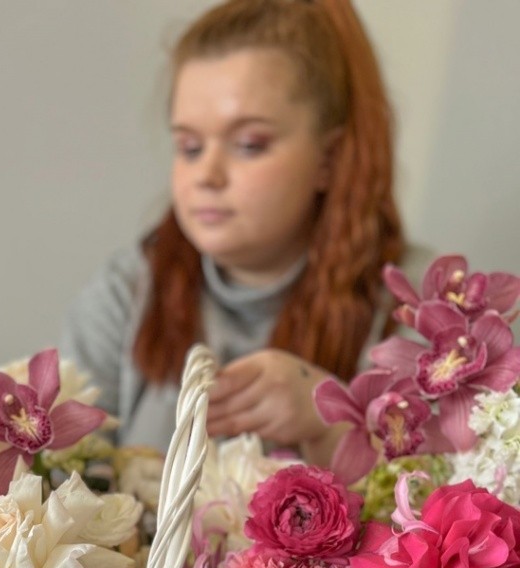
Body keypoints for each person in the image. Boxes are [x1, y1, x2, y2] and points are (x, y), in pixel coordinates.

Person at [60, 0, 428, 461]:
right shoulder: (125, 292)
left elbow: (438, 487)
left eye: (249, 145)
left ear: (329, 159)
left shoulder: (418, 307)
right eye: (189, 147)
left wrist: (328, 424)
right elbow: (62, 473)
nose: (206, 175)